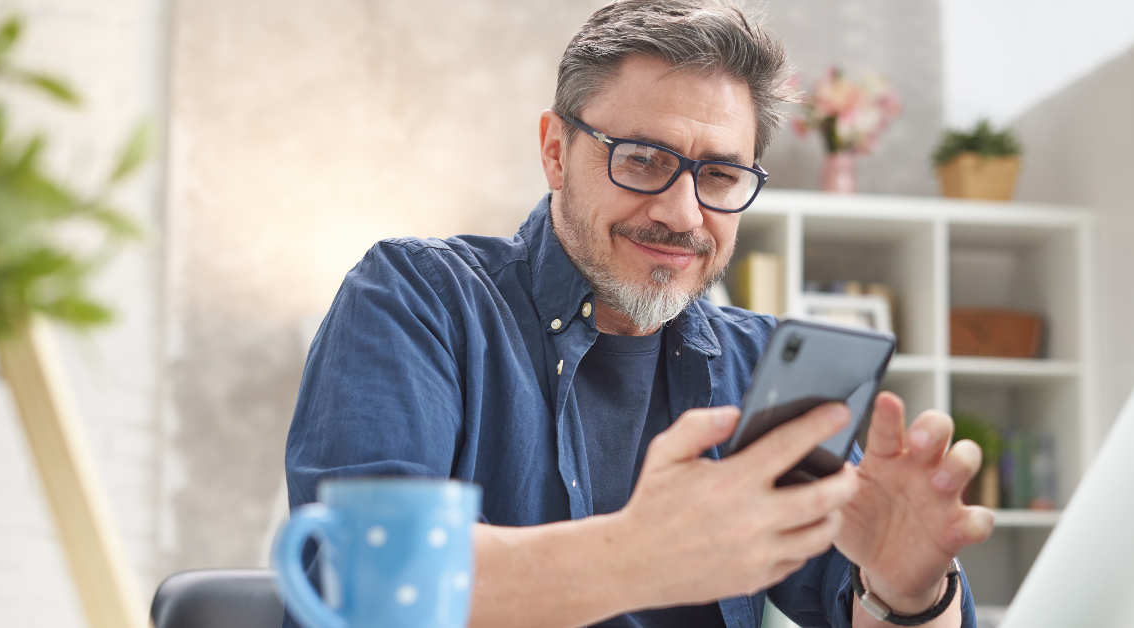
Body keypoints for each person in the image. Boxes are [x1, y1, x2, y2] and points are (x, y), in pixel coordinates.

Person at [285, 1, 995, 626]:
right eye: (644, 159)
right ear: (556, 153)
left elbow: (874, 607)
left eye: (719, 175)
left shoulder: (761, 367)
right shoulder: (418, 299)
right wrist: (641, 557)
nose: (683, 213)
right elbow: (362, 589)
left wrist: (907, 590)